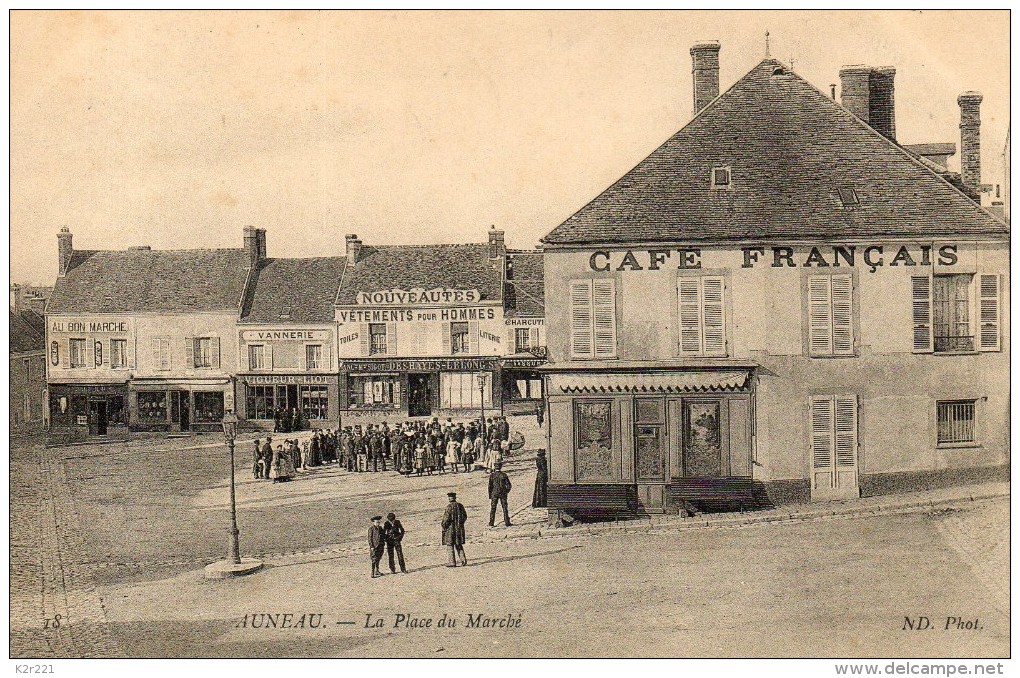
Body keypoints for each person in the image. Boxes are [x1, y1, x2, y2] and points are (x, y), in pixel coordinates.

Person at [441, 492, 468, 567]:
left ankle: (452, 562)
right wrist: (460, 524)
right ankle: (463, 560)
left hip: (450, 529)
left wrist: (443, 526)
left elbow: (446, 519)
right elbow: (465, 516)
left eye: (449, 497)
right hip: (459, 529)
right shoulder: (460, 506)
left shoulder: (449, 507)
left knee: (450, 545)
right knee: (458, 544)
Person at [488, 462, 512, 527]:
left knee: (493, 508)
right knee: (504, 507)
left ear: (495, 467)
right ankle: (507, 522)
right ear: (501, 467)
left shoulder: (492, 475)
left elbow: (490, 486)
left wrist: (490, 495)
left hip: (494, 493)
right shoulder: (504, 475)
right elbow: (509, 485)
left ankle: (491, 522)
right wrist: (506, 491)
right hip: (502, 493)